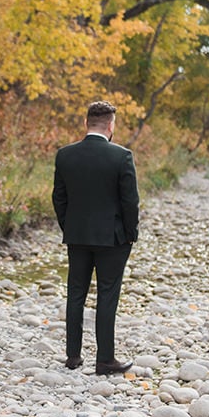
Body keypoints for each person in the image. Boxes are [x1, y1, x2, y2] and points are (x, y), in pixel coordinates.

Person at [53, 101, 140, 375]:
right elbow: (130, 202)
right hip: (112, 239)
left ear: (86, 123)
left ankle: (73, 356)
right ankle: (104, 360)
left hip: (77, 236)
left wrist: (69, 226)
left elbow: (59, 197)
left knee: (75, 293)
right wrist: (130, 235)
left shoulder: (65, 155)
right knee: (107, 296)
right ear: (111, 125)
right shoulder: (122, 156)